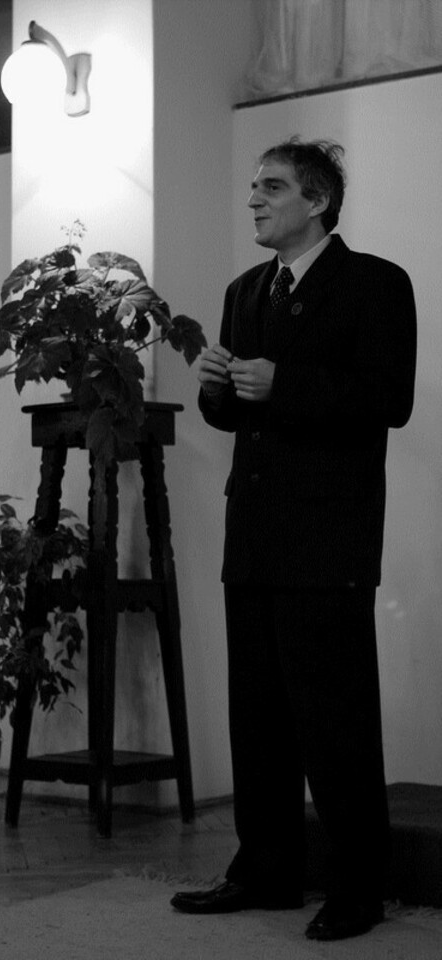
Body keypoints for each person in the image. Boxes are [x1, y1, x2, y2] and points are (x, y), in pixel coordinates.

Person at [170, 138, 417, 941]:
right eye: (253, 186)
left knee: (336, 720)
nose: (254, 198)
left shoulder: (377, 284)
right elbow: (236, 416)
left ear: (317, 201)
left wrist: (286, 383)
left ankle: (358, 888)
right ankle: (266, 871)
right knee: (259, 717)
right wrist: (216, 390)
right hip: (254, 535)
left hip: (328, 539)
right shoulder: (246, 291)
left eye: (271, 187)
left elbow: (389, 399)